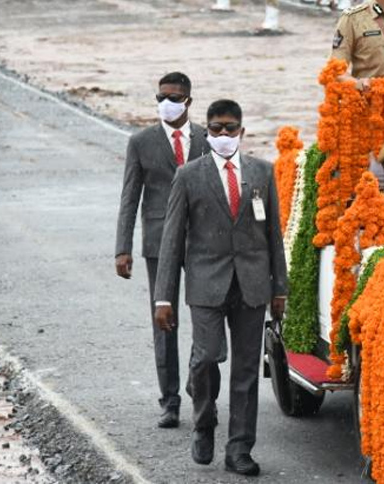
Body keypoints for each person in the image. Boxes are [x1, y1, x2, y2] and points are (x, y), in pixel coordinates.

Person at [154, 100, 288, 477]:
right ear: (206, 131)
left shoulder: (262, 173)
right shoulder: (188, 175)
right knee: (207, 356)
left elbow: (273, 234)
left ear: (242, 132)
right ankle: (204, 421)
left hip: (252, 285)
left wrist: (280, 289)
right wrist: (163, 297)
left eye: (231, 128)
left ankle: (240, 448)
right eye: (216, 129)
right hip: (205, 286)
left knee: (245, 370)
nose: (224, 135)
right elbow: (171, 241)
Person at [114, 72, 208, 429]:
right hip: (158, 244)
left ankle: (197, 381)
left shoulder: (206, 138)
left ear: (188, 101)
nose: (166, 103)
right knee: (164, 321)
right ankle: (169, 401)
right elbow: (129, 198)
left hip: (203, 243)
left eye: (173, 97)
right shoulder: (141, 142)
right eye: (160, 98)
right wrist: (122, 248)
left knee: (205, 317)